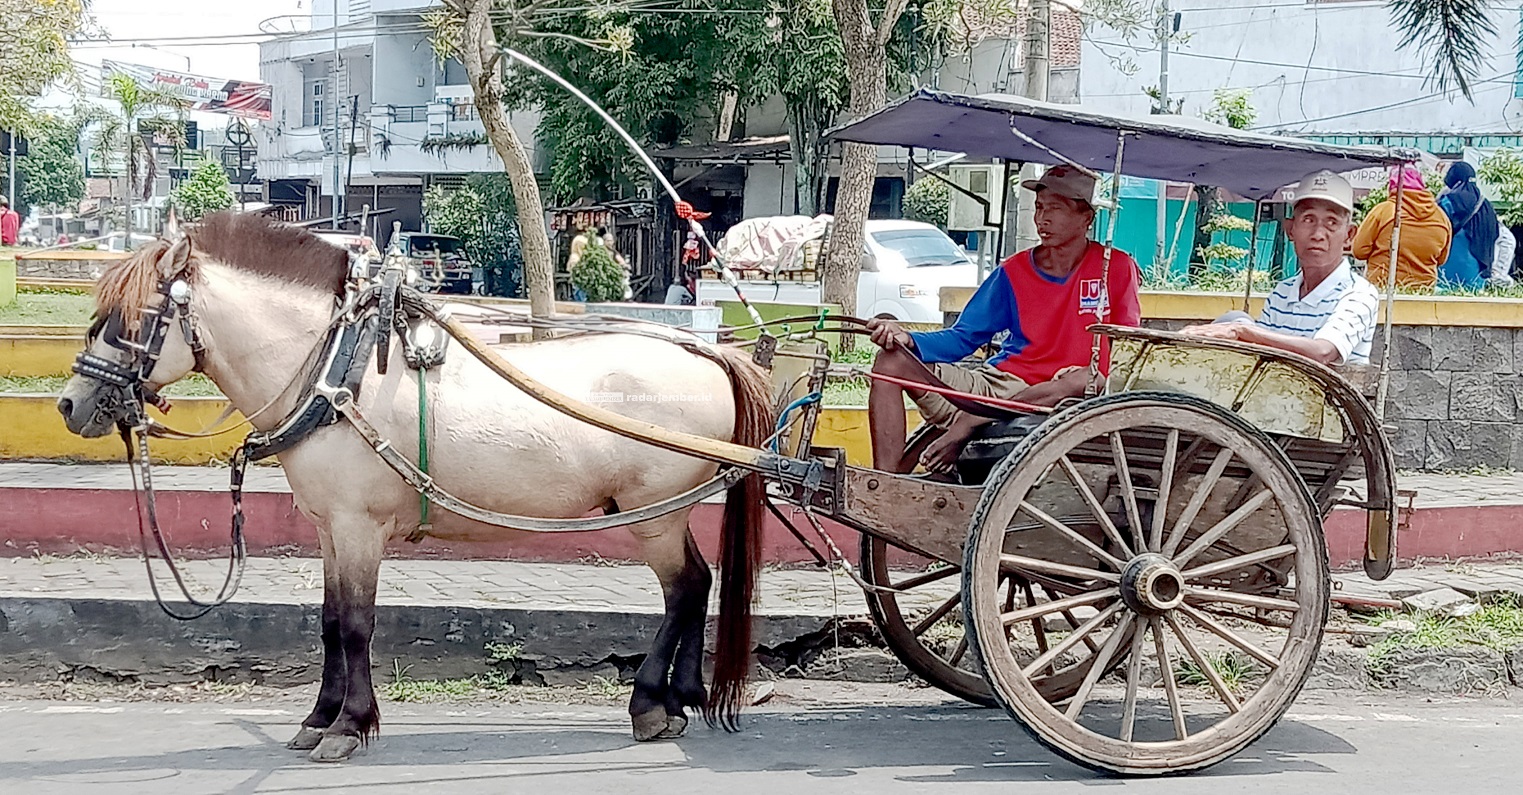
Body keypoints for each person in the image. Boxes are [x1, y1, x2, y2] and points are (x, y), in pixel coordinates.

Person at [866, 166, 1142, 474]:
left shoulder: (1116, 267)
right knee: (891, 362)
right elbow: (963, 338)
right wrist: (908, 339)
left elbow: (1126, 346)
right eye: (1039, 207)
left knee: (1088, 378)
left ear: (1086, 218)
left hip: (1069, 388)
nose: (1042, 219)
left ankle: (970, 422)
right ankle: (883, 482)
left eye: (1055, 209)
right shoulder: (1013, 271)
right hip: (1001, 384)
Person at [1182, 170, 1379, 365]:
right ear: (1290, 229)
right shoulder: (1283, 292)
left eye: (1331, 222)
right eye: (1308, 219)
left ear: (1349, 235)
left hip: (1322, 387)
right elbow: (1261, 352)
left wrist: (1241, 330)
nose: (1318, 234)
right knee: (1235, 318)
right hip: (1275, 384)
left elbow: (1323, 351)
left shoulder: (1359, 294)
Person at [1352, 165, 1451, 290]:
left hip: (1382, 289)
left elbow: (1359, 251)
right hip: (1423, 292)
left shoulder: (1383, 211)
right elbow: (1441, 259)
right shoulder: (1442, 218)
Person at [1437, 161, 1509, 289]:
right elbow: (1499, 236)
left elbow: (1435, 231)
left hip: (1446, 277)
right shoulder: (1486, 206)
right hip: (1477, 279)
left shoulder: (1448, 202)